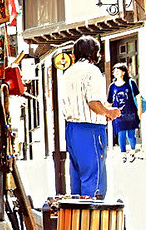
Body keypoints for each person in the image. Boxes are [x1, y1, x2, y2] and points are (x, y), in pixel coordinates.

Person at [60, 36, 120, 198]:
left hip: (72, 129)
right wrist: (109, 112)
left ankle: (78, 219)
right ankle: (93, 220)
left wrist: (104, 109)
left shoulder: (69, 72)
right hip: (90, 130)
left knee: (77, 179)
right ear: (93, 53)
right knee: (94, 179)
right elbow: (93, 102)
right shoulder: (92, 71)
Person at [107, 63, 140, 159]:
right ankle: (123, 153)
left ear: (123, 72)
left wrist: (140, 111)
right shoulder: (112, 86)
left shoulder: (131, 82)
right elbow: (109, 101)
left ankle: (133, 150)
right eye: (114, 71)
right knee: (121, 133)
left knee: (130, 134)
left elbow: (138, 96)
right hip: (118, 114)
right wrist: (106, 112)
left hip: (131, 112)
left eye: (118, 71)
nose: (115, 73)